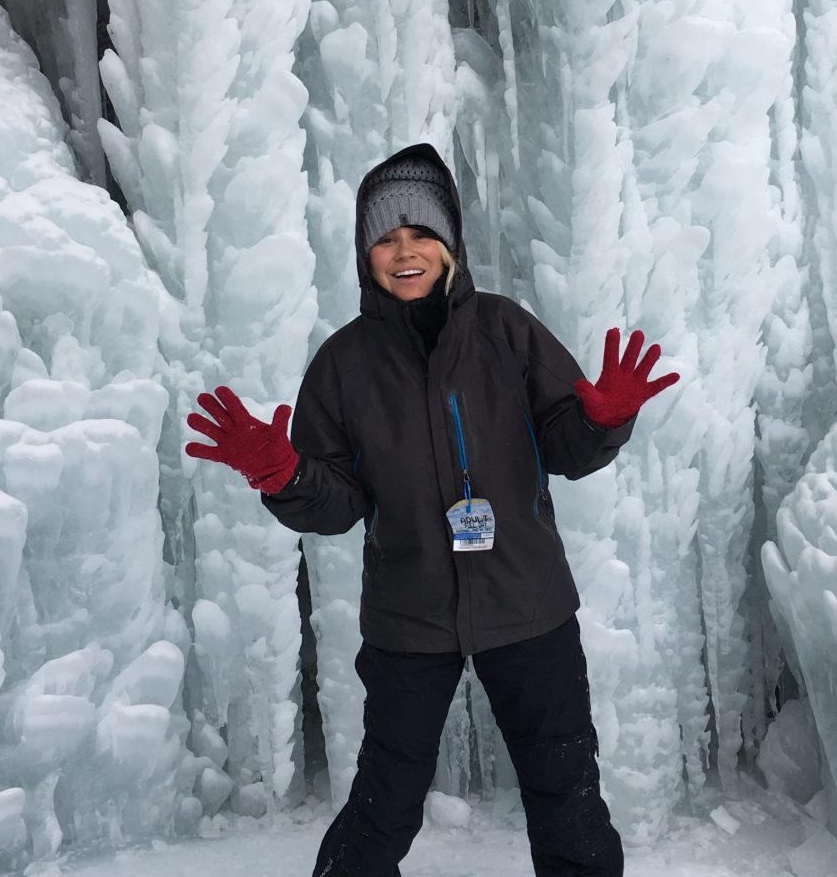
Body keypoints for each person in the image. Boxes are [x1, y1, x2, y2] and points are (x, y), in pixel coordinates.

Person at [185, 143, 679, 877]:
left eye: (420, 234)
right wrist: (282, 472)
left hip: (527, 602)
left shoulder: (506, 332)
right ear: (365, 253)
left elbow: (564, 446)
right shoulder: (343, 364)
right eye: (385, 237)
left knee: (566, 790)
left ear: (449, 244)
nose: (404, 251)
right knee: (386, 798)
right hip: (409, 614)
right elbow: (337, 502)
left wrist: (602, 420)